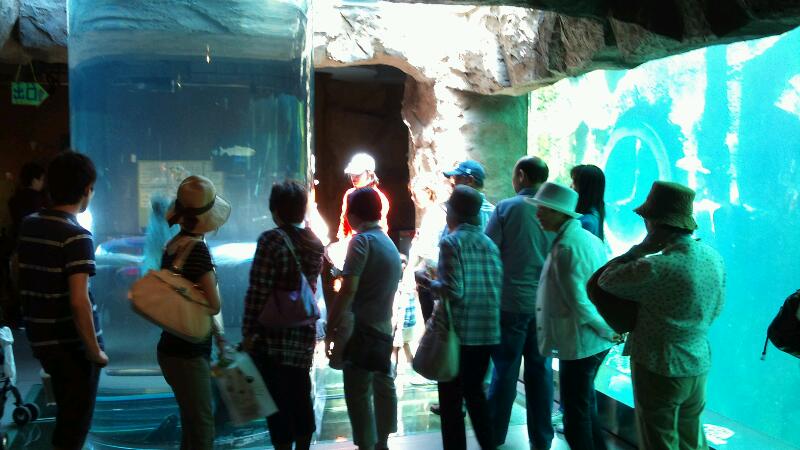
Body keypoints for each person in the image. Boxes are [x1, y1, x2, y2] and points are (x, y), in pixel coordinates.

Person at [597, 181, 725, 450]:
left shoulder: (656, 266)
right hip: (697, 363)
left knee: (659, 442)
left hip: (659, 366)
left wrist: (639, 249)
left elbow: (605, 281)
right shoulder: (713, 258)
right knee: (693, 441)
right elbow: (717, 308)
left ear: (653, 222)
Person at [17, 151, 107, 450]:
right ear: (87, 190)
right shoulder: (76, 236)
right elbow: (79, 301)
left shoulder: (30, 224)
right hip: (73, 347)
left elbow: (18, 270)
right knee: (75, 426)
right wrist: (95, 352)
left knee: (66, 419)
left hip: (43, 340)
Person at [531, 182, 616, 450]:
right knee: (584, 405)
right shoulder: (589, 239)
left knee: (575, 417)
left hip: (581, 342)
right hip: (591, 341)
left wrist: (605, 329)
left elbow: (580, 301)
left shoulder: (567, 247)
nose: (538, 214)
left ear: (561, 213)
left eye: (544, 209)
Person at [418, 185, 503, 450]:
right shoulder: (490, 244)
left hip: (460, 334)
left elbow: (454, 291)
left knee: (450, 401)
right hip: (487, 332)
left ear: (453, 214)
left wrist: (426, 282)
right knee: (476, 395)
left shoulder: (451, 242)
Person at [243, 181, 324, 450]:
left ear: (276, 210)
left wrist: (249, 332)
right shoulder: (314, 242)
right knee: (300, 392)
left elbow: (258, 290)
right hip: (303, 332)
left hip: (273, 335)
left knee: (277, 402)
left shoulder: (271, 240)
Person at [485, 156, 554, 450]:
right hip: (544, 307)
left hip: (511, 303)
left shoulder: (506, 208)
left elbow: (489, 251)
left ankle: (493, 436)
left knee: (504, 371)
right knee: (541, 373)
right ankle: (542, 439)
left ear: (522, 176)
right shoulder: (555, 211)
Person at [326, 187, 402, 450]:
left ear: (352, 214)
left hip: (362, 329)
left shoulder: (361, 241)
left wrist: (331, 326)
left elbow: (348, 290)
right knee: (383, 384)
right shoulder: (388, 243)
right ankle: (383, 441)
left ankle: (366, 445)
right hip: (383, 326)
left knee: (357, 392)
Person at [159, 175, 230, 450]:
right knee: (202, 429)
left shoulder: (172, 246)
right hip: (188, 354)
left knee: (191, 424)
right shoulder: (197, 250)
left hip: (170, 348)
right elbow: (213, 305)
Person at [337, 153, 390, 240]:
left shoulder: (379, 198)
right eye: (351, 174)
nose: (353, 178)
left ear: (369, 174)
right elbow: (344, 224)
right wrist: (342, 241)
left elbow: (379, 229)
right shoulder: (349, 194)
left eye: (357, 175)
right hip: (352, 242)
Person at [443, 160, 494, 229]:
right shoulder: (493, 213)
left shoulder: (483, 213)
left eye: (457, 178)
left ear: (470, 180)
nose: (453, 184)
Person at [8, 162, 47, 240]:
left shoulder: (14, 198)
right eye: (42, 179)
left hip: (18, 238)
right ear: (34, 180)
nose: (43, 183)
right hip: (36, 239)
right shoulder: (37, 198)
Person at [570, 164, 606, 240]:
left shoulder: (586, 222)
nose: (570, 186)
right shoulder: (594, 215)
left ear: (585, 188)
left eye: (574, 182)